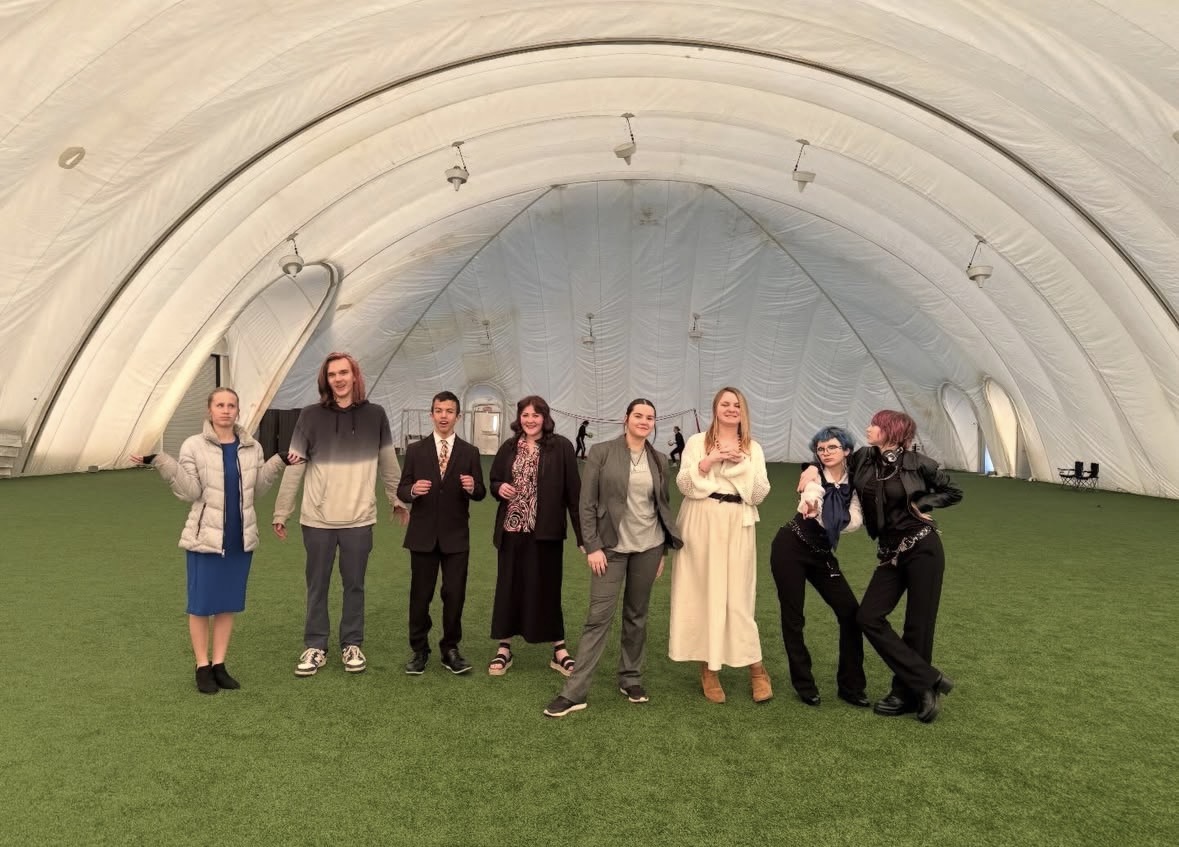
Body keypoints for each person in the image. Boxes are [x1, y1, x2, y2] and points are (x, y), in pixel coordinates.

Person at [800, 410, 963, 722]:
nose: (868, 428)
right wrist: (810, 469)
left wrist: (922, 503)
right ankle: (929, 679)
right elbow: (830, 462)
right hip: (890, 552)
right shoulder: (862, 458)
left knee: (918, 625)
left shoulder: (919, 464)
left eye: (874, 424)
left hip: (923, 547)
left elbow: (953, 491)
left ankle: (907, 693)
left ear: (891, 430)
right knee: (868, 617)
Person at [132, 388, 286, 694]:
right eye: (220, 405)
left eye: (231, 405)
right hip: (205, 538)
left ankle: (220, 664)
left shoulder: (252, 447)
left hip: (240, 539)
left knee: (227, 604)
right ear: (209, 410)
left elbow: (257, 491)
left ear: (238, 411)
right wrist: (162, 461)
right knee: (201, 605)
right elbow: (189, 491)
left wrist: (278, 461)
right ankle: (202, 666)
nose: (226, 410)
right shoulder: (193, 446)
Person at [544, 399, 683, 718]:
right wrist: (592, 545)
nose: (644, 421)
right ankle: (575, 691)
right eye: (639, 416)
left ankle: (630, 677)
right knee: (598, 618)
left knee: (637, 615)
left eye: (650, 417)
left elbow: (662, 507)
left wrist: (662, 550)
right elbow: (586, 502)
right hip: (609, 548)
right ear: (626, 419)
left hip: (648, 547)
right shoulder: (602, 452)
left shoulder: (660, 459)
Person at [273, 352, 408, 678]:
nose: (339, 379)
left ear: (354, 376)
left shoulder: (376, 415)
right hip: (316, 521)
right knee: (316, 585)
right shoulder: (308, 416)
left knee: (355, 585)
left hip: (359, 520)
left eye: (344, 372)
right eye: (332, 374)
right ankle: (315, 646)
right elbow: (294, 467)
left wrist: (397, 499)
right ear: (326, 380)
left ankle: (352, 644)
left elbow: (389, 461)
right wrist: (282, 511)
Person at [668, 386, 772, 703]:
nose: (730, 409)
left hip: (738, 523)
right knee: (702, 593)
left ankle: (757, 669)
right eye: (725, 404)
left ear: (743, 411)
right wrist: (707, 461)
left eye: (736, 404)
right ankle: (709, 669)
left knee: (738, 598)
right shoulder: (698, 443)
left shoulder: (753, 448)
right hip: (700, 520)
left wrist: (741, 464)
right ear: (715, 408)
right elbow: (684, 484)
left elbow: (758, 494)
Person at [769, 426, 867, 708]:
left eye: (832, 448)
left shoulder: (855, 481)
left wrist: (830, 516)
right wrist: (811, 503)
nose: (825, 453)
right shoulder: (814, 476)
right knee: (794, 618)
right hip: (790, 548)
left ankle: (850, 686)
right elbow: (811, 496)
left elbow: (856, 520)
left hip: (822, 554)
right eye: (821, 449)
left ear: (846, 450)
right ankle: (804, 684)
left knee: (851, 614)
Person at [487, 395, 584, 676]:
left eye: (536, 415)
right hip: (511, 531)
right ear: (519, 418)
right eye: (525, 415)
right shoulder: (508, 447)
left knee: (548, 588)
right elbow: (494, 480)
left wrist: (582, 536)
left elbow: (573, 495)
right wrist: (499, 488)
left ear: (545, 418)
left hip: (546, 533)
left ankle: (560, 650)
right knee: (509, 587)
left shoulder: (562, 447)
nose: (530, 420)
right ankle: (504, 647)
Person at [398, 391, 487, 676]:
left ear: (458, 416)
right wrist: (412, 491)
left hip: (456, 537)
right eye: (439, 410)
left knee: (455, 594)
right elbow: (402, 489)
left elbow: (481, 493)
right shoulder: (415, 451)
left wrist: (473, 488)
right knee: (420, 595)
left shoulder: (470, 452)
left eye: (449, 411)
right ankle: (419, 650)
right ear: (431, 414)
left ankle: (450, 648)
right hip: (422, 536)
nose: (444, 416)